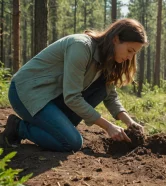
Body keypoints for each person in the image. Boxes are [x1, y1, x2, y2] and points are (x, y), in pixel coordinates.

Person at [0, 18, 147, 152]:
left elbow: (110, 95)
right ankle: (18, 128)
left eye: (134, 54)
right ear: (116, 39)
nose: (129, 57)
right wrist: (108, 126)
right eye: (129, 51)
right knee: (71, 143)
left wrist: (130, 122)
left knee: (101, 89)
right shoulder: (81, 47)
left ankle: (51, 125)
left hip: (52, 98)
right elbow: (72, 97)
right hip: (27, 92)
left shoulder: (108, 59)